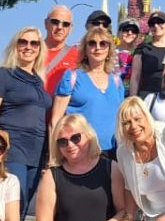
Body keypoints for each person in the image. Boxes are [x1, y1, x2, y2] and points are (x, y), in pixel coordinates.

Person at [0, 27, 52, 221]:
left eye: (34, 43)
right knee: (12, 204)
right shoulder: (4, 74)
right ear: (15, 45)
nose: (28, 47)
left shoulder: (38, 81)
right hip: (12, 149)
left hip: (36, 153)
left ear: (40, 49)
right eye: (23, 42)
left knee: (23, 206)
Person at [51, 27, 126, 155]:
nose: (97, 47)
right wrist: (53, 157)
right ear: (85, 49)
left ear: (109, 50)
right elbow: (55, 120)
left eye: (103, 44)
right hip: (80, 153)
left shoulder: (117, 81)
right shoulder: (72, 77)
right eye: (92, 43)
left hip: (113, 153)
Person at [129, 10, 165, 98]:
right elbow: (135, 77)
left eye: (160, 22)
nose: (156, 26)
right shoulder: (142, 48)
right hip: (146, 97)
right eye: (152, 23)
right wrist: (133, 100)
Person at [42, 5, 81, 95]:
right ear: (46, 23)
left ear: (71, 28)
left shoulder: (78, 57)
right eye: (55, 22)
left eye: (65, 24)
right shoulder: (31, 51)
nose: (60, 27)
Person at [116, 19, 141, 85]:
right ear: (119, 32)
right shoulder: (110, 52)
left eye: (134, 30)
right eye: (126, 29)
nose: (130, 33)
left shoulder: (140, 53)